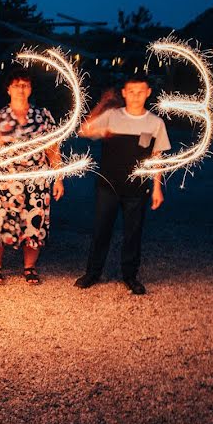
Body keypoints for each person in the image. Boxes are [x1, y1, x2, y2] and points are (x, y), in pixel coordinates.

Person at [74, 72, 170, 295]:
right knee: (101, 230)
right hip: (108, 186)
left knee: (133, 232)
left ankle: (130, 276)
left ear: (148, 93)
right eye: (132, 92)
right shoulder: (112, 116)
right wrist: (103, 104)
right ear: (125, 93)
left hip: (137, 189)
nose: (136, 96)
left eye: (140, 92)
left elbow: (157, 156)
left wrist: (157, 187)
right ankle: (93, 273)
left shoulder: (155, 123)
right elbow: (84, 131)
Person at [0, 68, 65, 284]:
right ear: (8, 89)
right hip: (2, 181)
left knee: (33, 223)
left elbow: (53, 148)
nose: (20, 89)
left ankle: (29, 267)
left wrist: (58, 177)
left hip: (35, 182)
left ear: (31, 88)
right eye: (16, 85)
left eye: (25, 85)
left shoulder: (43, 115)